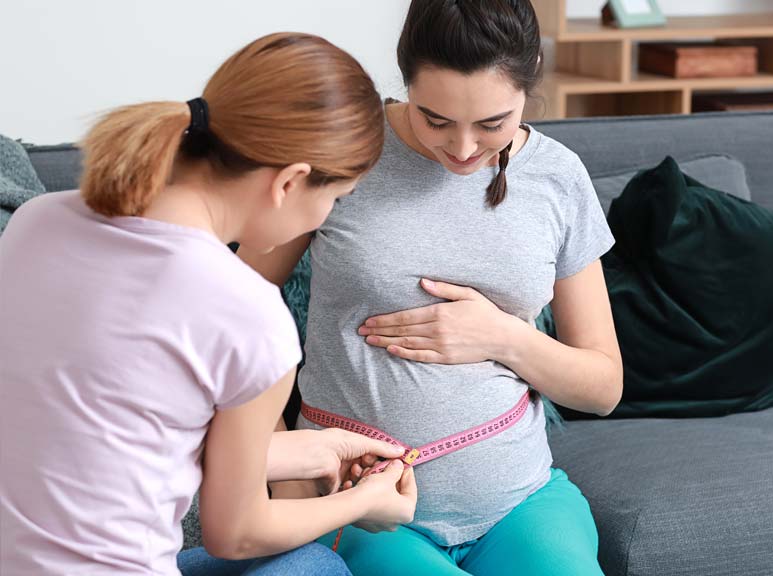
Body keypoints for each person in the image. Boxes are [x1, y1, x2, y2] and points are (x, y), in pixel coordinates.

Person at [0, 32, 416, 576]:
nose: (325, 217)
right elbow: (235, 533)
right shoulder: (247, 314)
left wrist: (315, 451)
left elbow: (107, 435)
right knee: (318, 568)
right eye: (336, 199)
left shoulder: (37, 221)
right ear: (290, 182)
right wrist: (364, 502)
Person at [240, 3, 622, 574]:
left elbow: (604, 388)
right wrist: (278, 466)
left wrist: (504, 338)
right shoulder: (342, 153)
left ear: (532, 76)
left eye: (492, 123)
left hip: (522, 502)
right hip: (356, 509)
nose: (463, 149)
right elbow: (230, 311)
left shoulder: (558, 177)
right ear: (406, 81)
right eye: (435, 119)